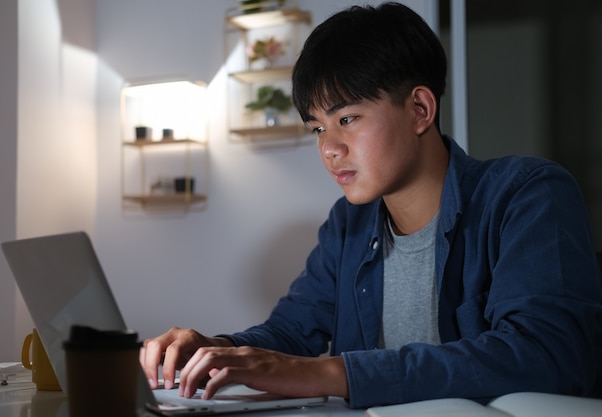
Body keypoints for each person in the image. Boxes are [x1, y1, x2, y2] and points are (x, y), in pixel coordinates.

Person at [140, 2, 602, 408]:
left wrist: (332, 372)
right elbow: (288, 335)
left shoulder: (526, 193)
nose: (329, 148)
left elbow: (548, 354)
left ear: (420, 109)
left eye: (347, 118)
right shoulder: (349, 224)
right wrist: (215, 349)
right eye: (318, 128)